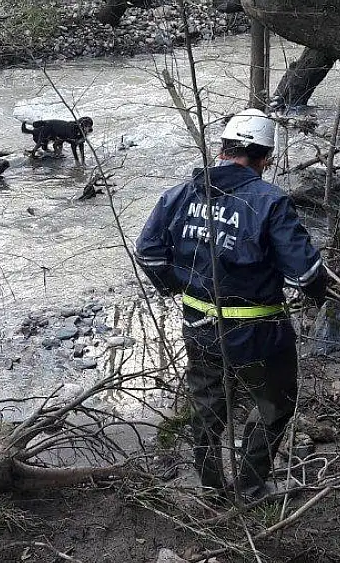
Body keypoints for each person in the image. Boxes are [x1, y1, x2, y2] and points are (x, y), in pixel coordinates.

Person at [134, 108, 328, 501]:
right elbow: (306, 275)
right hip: (260, 334)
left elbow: (148, 251)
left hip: (199, 328)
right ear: (265, 158)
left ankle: (211, 488)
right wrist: (320, 296)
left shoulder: (183, 192)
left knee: (207, 409)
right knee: (276, 405)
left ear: (222, 149)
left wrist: (175, 286)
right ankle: (253, 485)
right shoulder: (270, 201)